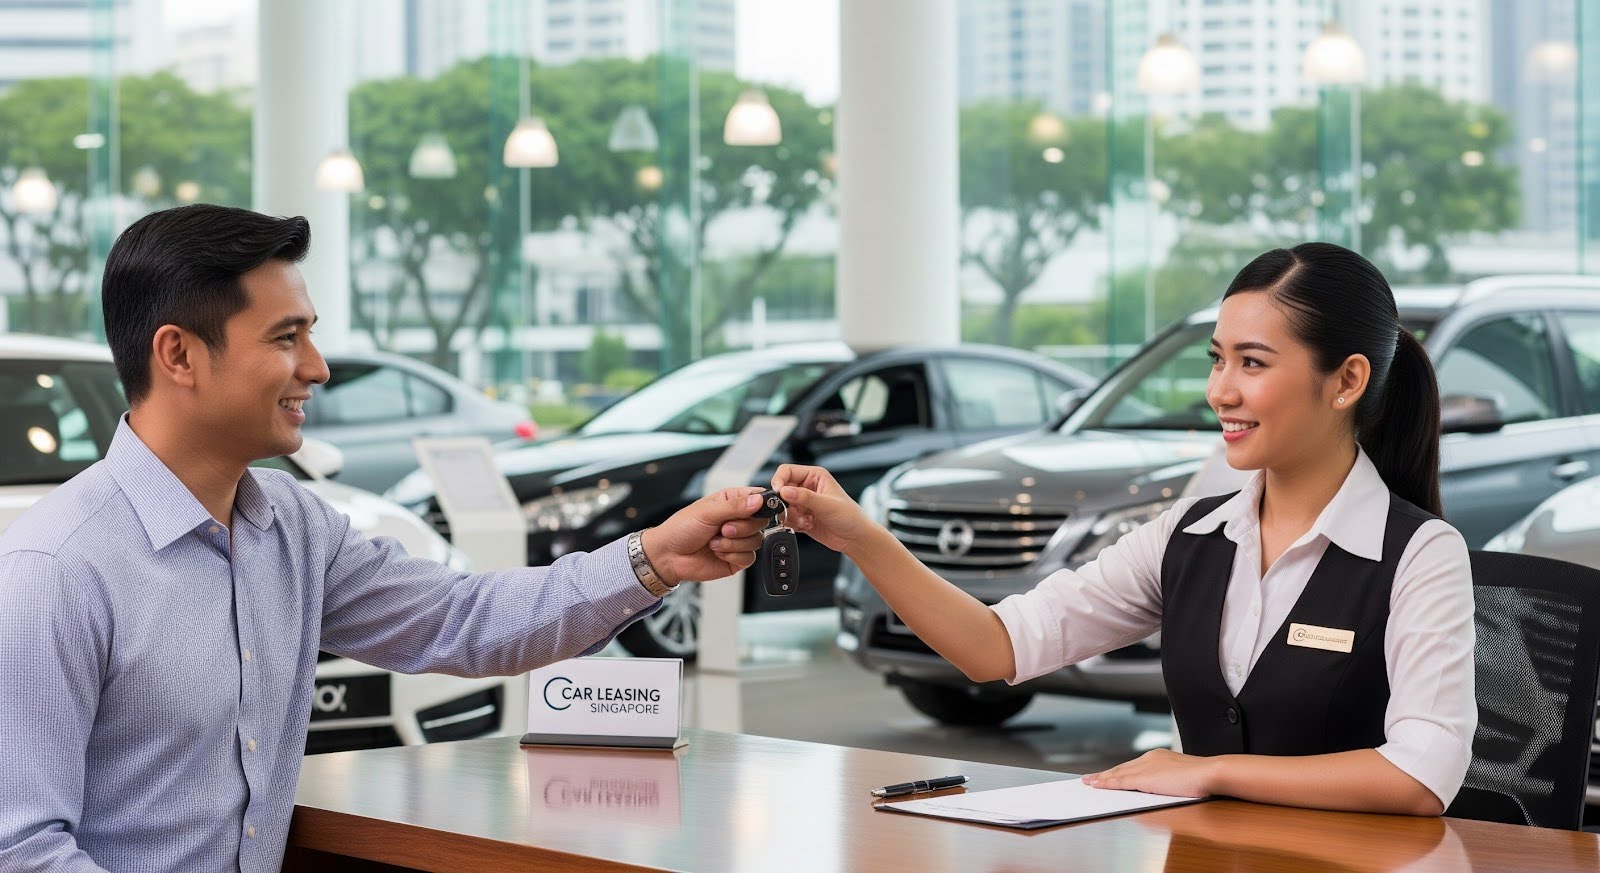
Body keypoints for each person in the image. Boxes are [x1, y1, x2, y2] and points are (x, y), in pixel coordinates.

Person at [0, 204, 771, 873]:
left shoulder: (292, 529)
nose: (319, 367)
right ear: (179, 355)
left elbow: (464, 620)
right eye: (285, 337)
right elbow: (22, 847)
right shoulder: (55, 570)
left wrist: (654, 558)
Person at [773, 242, 1475, 816]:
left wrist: (1210, 772)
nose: (1220, 389)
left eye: (1253, 362)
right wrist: (861, 536)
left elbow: (1419, 776)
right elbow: (995, 647)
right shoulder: (1190, 533)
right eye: (1217, 357)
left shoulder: (1420, 553)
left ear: (1346, 380)